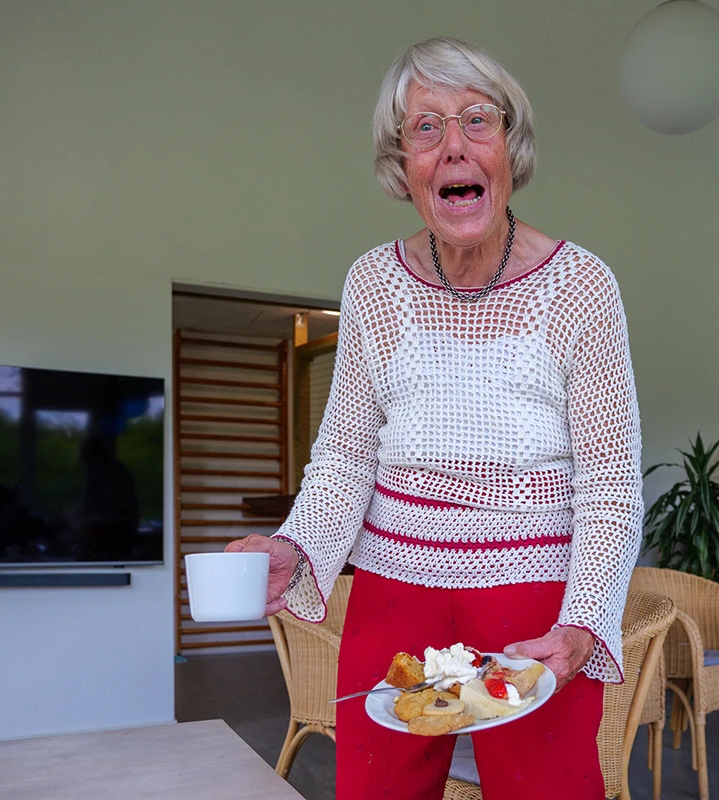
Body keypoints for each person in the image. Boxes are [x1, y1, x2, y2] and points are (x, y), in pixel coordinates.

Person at [224, 37, 642, 798]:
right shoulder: (373, 285)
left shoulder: (582, 286)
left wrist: (584, 619)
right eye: (426, 128)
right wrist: (299, 547)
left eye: (478, 121)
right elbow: (346, 456)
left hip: (535, 605)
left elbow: (611, 482)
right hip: (393, 595)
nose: (454, 146)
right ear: (402, 165)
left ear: (510, 150)